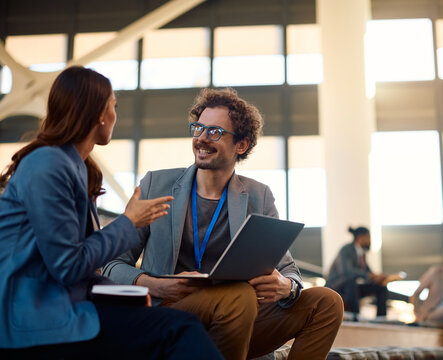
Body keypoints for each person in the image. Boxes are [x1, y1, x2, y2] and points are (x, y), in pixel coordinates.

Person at [103, 88, 344, 360]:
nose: (202, 138)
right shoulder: (155, 185)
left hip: (238, 321)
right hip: (170, 312)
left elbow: (288, 269)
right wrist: (157, 285)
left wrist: (286, 286)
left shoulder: (258, 195)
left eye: (215, 132)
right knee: (238, 296)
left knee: (327, 303)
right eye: (198, 128)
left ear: (241, 145)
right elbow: (111, 265)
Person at [0, 66, 222, 359]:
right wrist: (129, 223)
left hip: (61, 305)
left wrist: (130, 294)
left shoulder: (74, 166)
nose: (116, 115)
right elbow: (68, 265)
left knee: (171, 328)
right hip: (34, 318)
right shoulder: (48, 165)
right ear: (99, 115)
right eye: (113, 106)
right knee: (180, 331)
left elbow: (75, 262)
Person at [326, 226, 393, 320]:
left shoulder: (362, 254)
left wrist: (378, 277)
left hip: (352, 288)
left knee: (380, 286)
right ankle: (355, 315)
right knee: (351, 280)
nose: (370, 240)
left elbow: (367, 272)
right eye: (368, 237)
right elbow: (347, 271)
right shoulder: (346, 249)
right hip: (337, 287)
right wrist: (370, 275)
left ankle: (381, 317)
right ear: (360, 237)